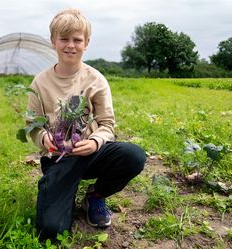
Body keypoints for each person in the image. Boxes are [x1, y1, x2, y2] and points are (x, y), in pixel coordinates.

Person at [26, 8, 146, 239]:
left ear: (86, 43)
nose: (70, 45)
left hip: (91, 154)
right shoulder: (40, 82)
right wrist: (44, 138)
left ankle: (96, 196)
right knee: (51, 231)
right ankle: (63, 193)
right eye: (64, 39)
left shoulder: (96, 80)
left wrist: (94, 141)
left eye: (77, 40)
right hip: (58, 158)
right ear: (53, 41)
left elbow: (107, 123)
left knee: (133, 156)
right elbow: (32, 125)